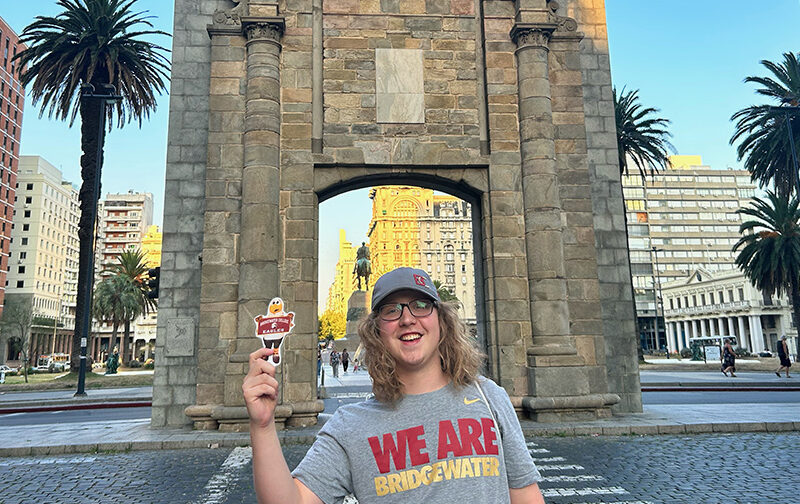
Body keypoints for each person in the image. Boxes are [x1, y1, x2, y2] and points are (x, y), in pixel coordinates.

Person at [243, 266, 544, 504]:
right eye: (391, 310)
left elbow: (526, 496)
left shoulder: (490, 398)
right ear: (376, 332)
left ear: (443, 321)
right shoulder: (350, 426)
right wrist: (263, 425)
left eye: (421, 305)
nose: (407, 319)